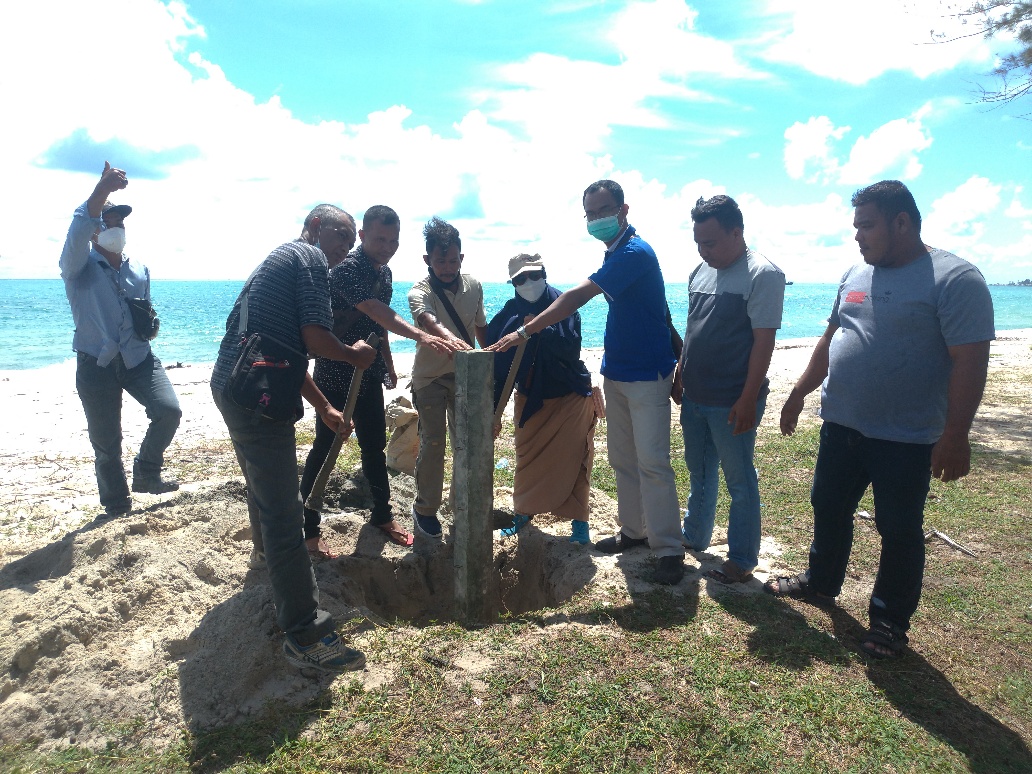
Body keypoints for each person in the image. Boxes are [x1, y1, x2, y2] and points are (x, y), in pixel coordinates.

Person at [767, 180, 994, 659]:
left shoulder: (956, 279)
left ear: (902, 222)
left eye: (866, 225)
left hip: (906, 436)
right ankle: (821, 582)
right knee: (828, 505)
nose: (857, 236)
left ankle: (889, 620)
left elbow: (970, 361)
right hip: (842, 425)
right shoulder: (855, 273)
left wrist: (956, 435)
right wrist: (799, 392)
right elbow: (832, 340)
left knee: (898, 527)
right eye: (856, 226)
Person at [489, 180, 687, 585]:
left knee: (653, 462)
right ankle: (633, 531)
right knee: (623, 459)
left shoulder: (634, 252)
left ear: (624, 210)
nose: (597, 219)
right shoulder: (615, 252)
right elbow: (659, 309)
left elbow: (580, 295)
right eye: (591, 213)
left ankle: (668, 548)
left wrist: (527, 332)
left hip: (648, 373)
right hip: (616, 370)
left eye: (604, 210)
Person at [210, 204, 378, 673]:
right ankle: (305, 633)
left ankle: (267, 558)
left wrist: (323, 405)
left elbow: (285, 344)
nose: (344, 245)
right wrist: (353, 354)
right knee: (286, 512)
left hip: (235, 383)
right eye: (337, 233)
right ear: (311, 229)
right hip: (257, 392)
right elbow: (315, 337)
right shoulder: (308, 260)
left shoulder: (279, 262)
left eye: (349, 238)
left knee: (264, 488)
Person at [299, 206, 457, 554]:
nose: (387, 246)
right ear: (362, 237)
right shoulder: (345, 269)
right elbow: (377, 311)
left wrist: (387, 364)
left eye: (393, 240)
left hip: (367, 372)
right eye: (380, 239)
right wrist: (422, 336)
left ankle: (382, 516)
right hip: (334, 370)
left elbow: (378, 326)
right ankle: (308, 528)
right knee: (325, 449)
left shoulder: (384, 273)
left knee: (373, 447)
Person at [59, 161, 182, 519]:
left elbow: (143, 310)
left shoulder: (139, 268)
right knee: (107, 444)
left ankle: (146, 472)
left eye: (119, 222)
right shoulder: (77, 265)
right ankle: (116, 506)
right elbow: (80, 225)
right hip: (95, 363)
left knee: (168, 410)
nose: (115, 227)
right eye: (107, 221)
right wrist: (102, 191)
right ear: (94, 231)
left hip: (138, 357)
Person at [677, 195, 785, 584]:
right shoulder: (699, 271)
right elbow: (692, 329)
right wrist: (679, 373)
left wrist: (747, 398)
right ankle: (695, 535)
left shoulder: (763, 274)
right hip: (695, 394)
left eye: (711, 243)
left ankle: (741, 558)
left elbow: (763, 342)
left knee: (740, 480)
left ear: (736, 232)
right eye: (698, 243)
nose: (704, 252)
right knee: (699, 471)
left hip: (732, 399)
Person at [486, 253, 598, 543]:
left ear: (544, 274)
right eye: (521, 278)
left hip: (570, 396)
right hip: (530, 398)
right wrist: (493, 412)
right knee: (526, 458)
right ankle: (523, 515)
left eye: (535, 275)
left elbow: (569, 347)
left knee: (577, 460)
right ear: (513, 282)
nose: (530, 282)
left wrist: (534, 329)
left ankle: (579, 526)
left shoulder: (563, 304)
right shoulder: (510, 312)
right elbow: (500, 367)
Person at [408, 217, 488, 539]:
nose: (447, 267)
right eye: (440, 261)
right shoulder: (419, 290)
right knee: (433, 443)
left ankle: (461, 506)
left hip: (464, 376)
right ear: (427, 259)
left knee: (467, 445)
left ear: (462, 258)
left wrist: (494, 352)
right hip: (429, 379)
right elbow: (427, 321)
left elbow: (481, 329)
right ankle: (425, 510)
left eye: (453, 260)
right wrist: (449, 339)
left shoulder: (475, 286)